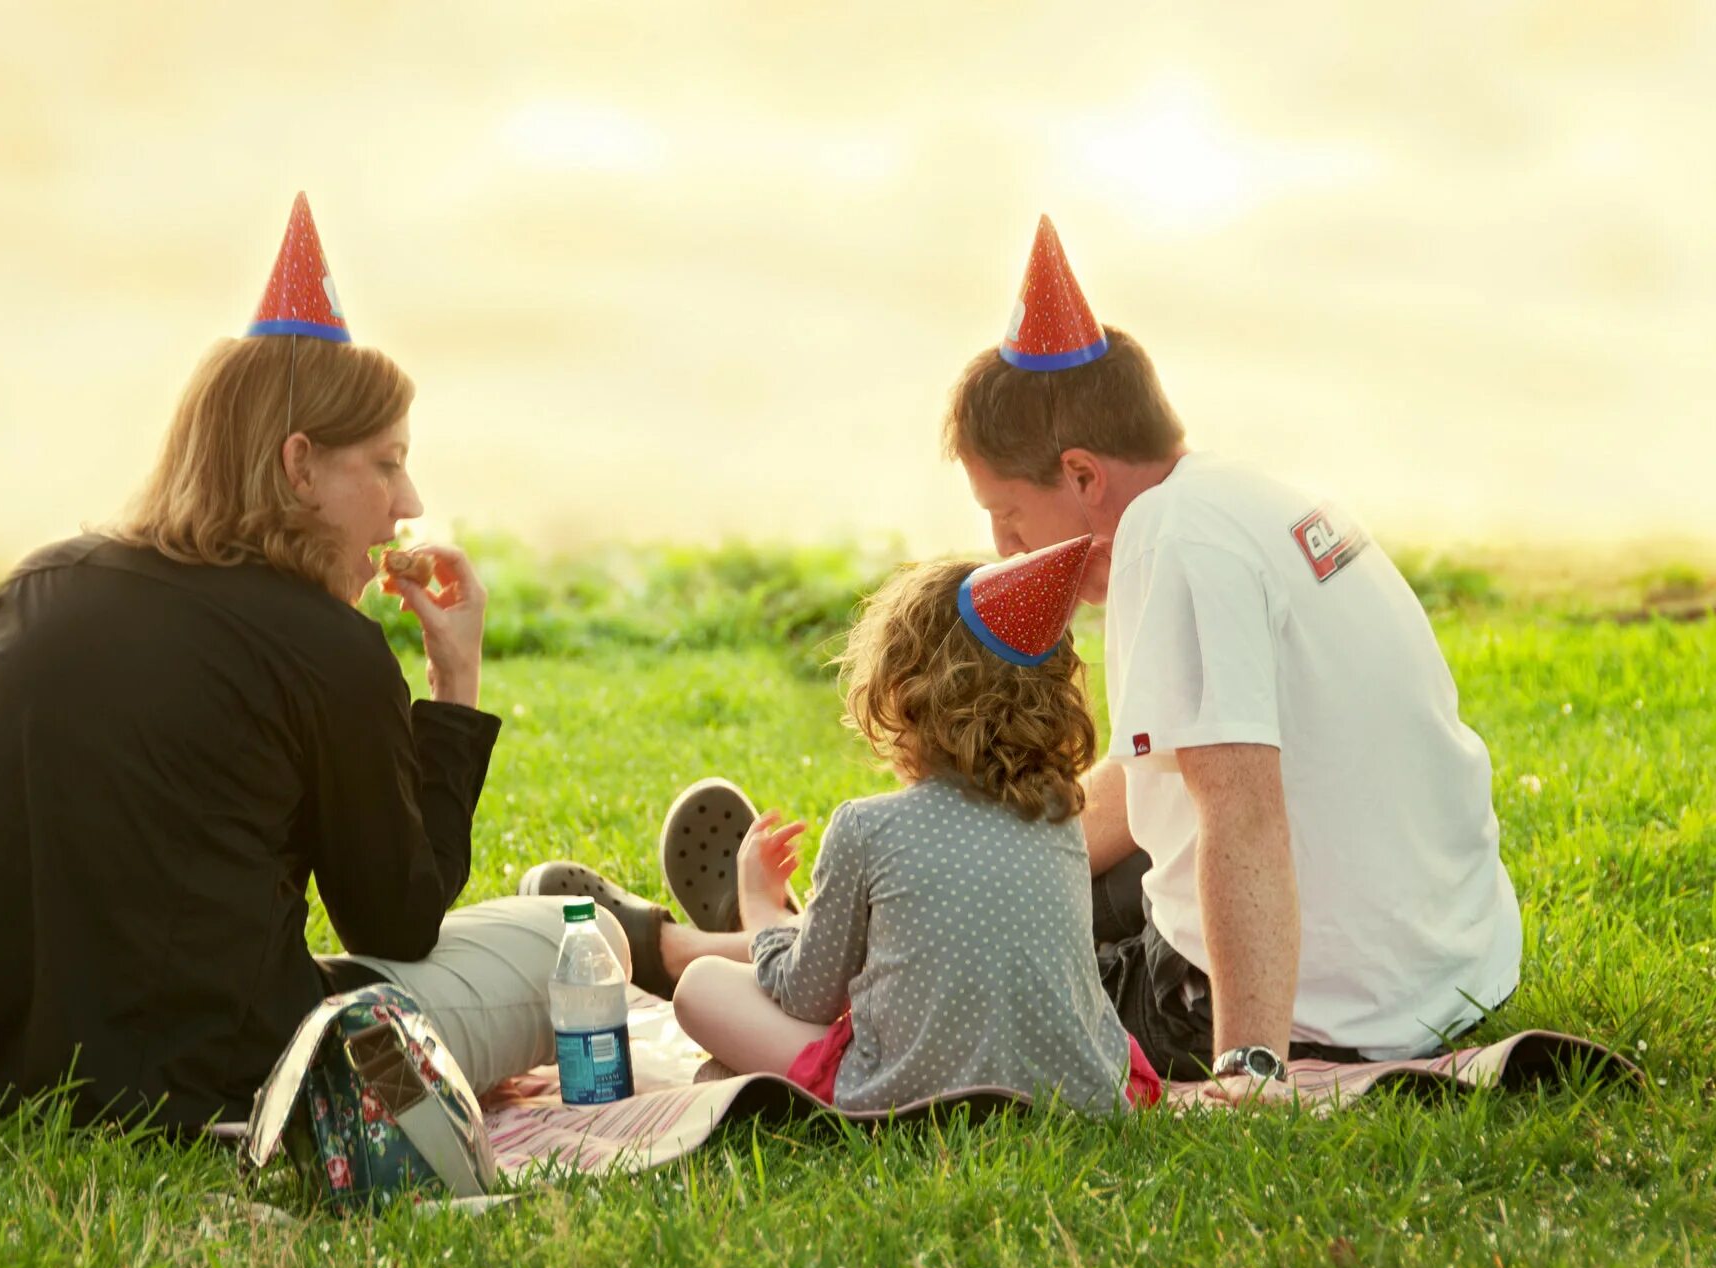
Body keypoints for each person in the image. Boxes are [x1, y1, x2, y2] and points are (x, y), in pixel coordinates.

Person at [0, 194, 620, 1128]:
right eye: (385, 464)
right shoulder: (330, 651)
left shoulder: (37, 585)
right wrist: (454, 689)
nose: (407, 502)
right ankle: (665, 939)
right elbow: (397, 925)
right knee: (564, 944)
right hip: (201, 1072)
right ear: (299, 466)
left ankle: (682, 932)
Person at [941, 215, 1523, 1096]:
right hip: (1444, 968)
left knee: (956, 978)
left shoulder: (1171, 545)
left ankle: (727, 952)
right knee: (1007, 885)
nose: (1010, 554)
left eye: (1011, 519)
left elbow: (1242, 810)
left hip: (1326, 1006)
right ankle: (779, 929)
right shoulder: (1245, 497)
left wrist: (1249, 1069)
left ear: (1084, 474)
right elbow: (1154, 782)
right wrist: (973, 842)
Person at [533, 543, 1161, 1112]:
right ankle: (792, 935)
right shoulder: (1058, 823)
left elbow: (808, 1000)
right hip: (1077, 1092)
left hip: (907, 1098)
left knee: (701, 989)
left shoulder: (866, 826)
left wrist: (759, 906)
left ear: (899, 687)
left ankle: (763, 934)